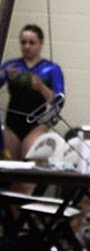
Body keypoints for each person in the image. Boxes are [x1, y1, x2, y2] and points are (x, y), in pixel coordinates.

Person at [0, 24, 64, 189]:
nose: (27, 46)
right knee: (10, 175)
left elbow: (59, 100)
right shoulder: (11, 66)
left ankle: (27, 211)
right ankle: (13, 215)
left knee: (28, 176)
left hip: (35, 126)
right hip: (12, 125)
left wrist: (41, 87)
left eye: (31, 42)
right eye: (23, 42)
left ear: (40, 43)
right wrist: (4, 75)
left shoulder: (51, 69)